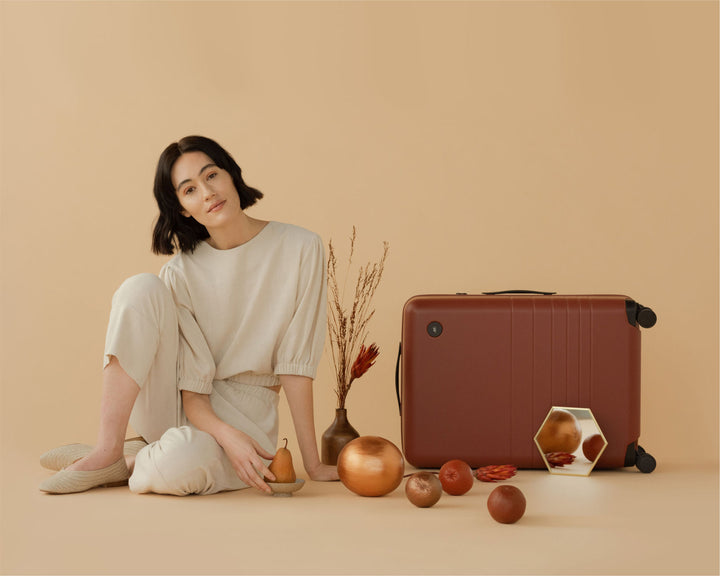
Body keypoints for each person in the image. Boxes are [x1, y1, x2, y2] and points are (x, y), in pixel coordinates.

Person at [39, 135, 339, 495]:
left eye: (211, 175)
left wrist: (313, 462)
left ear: (230, 175)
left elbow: (295, 366)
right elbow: (194, 396)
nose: (208, 192)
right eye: (190, 189)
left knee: (178, 466)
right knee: (140, 288)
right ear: (182, 208)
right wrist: (222, 434)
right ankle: (107, 451)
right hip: (183, 403)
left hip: (250, 417)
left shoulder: (300, 248)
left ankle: (133, 458)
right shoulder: (181, 273)